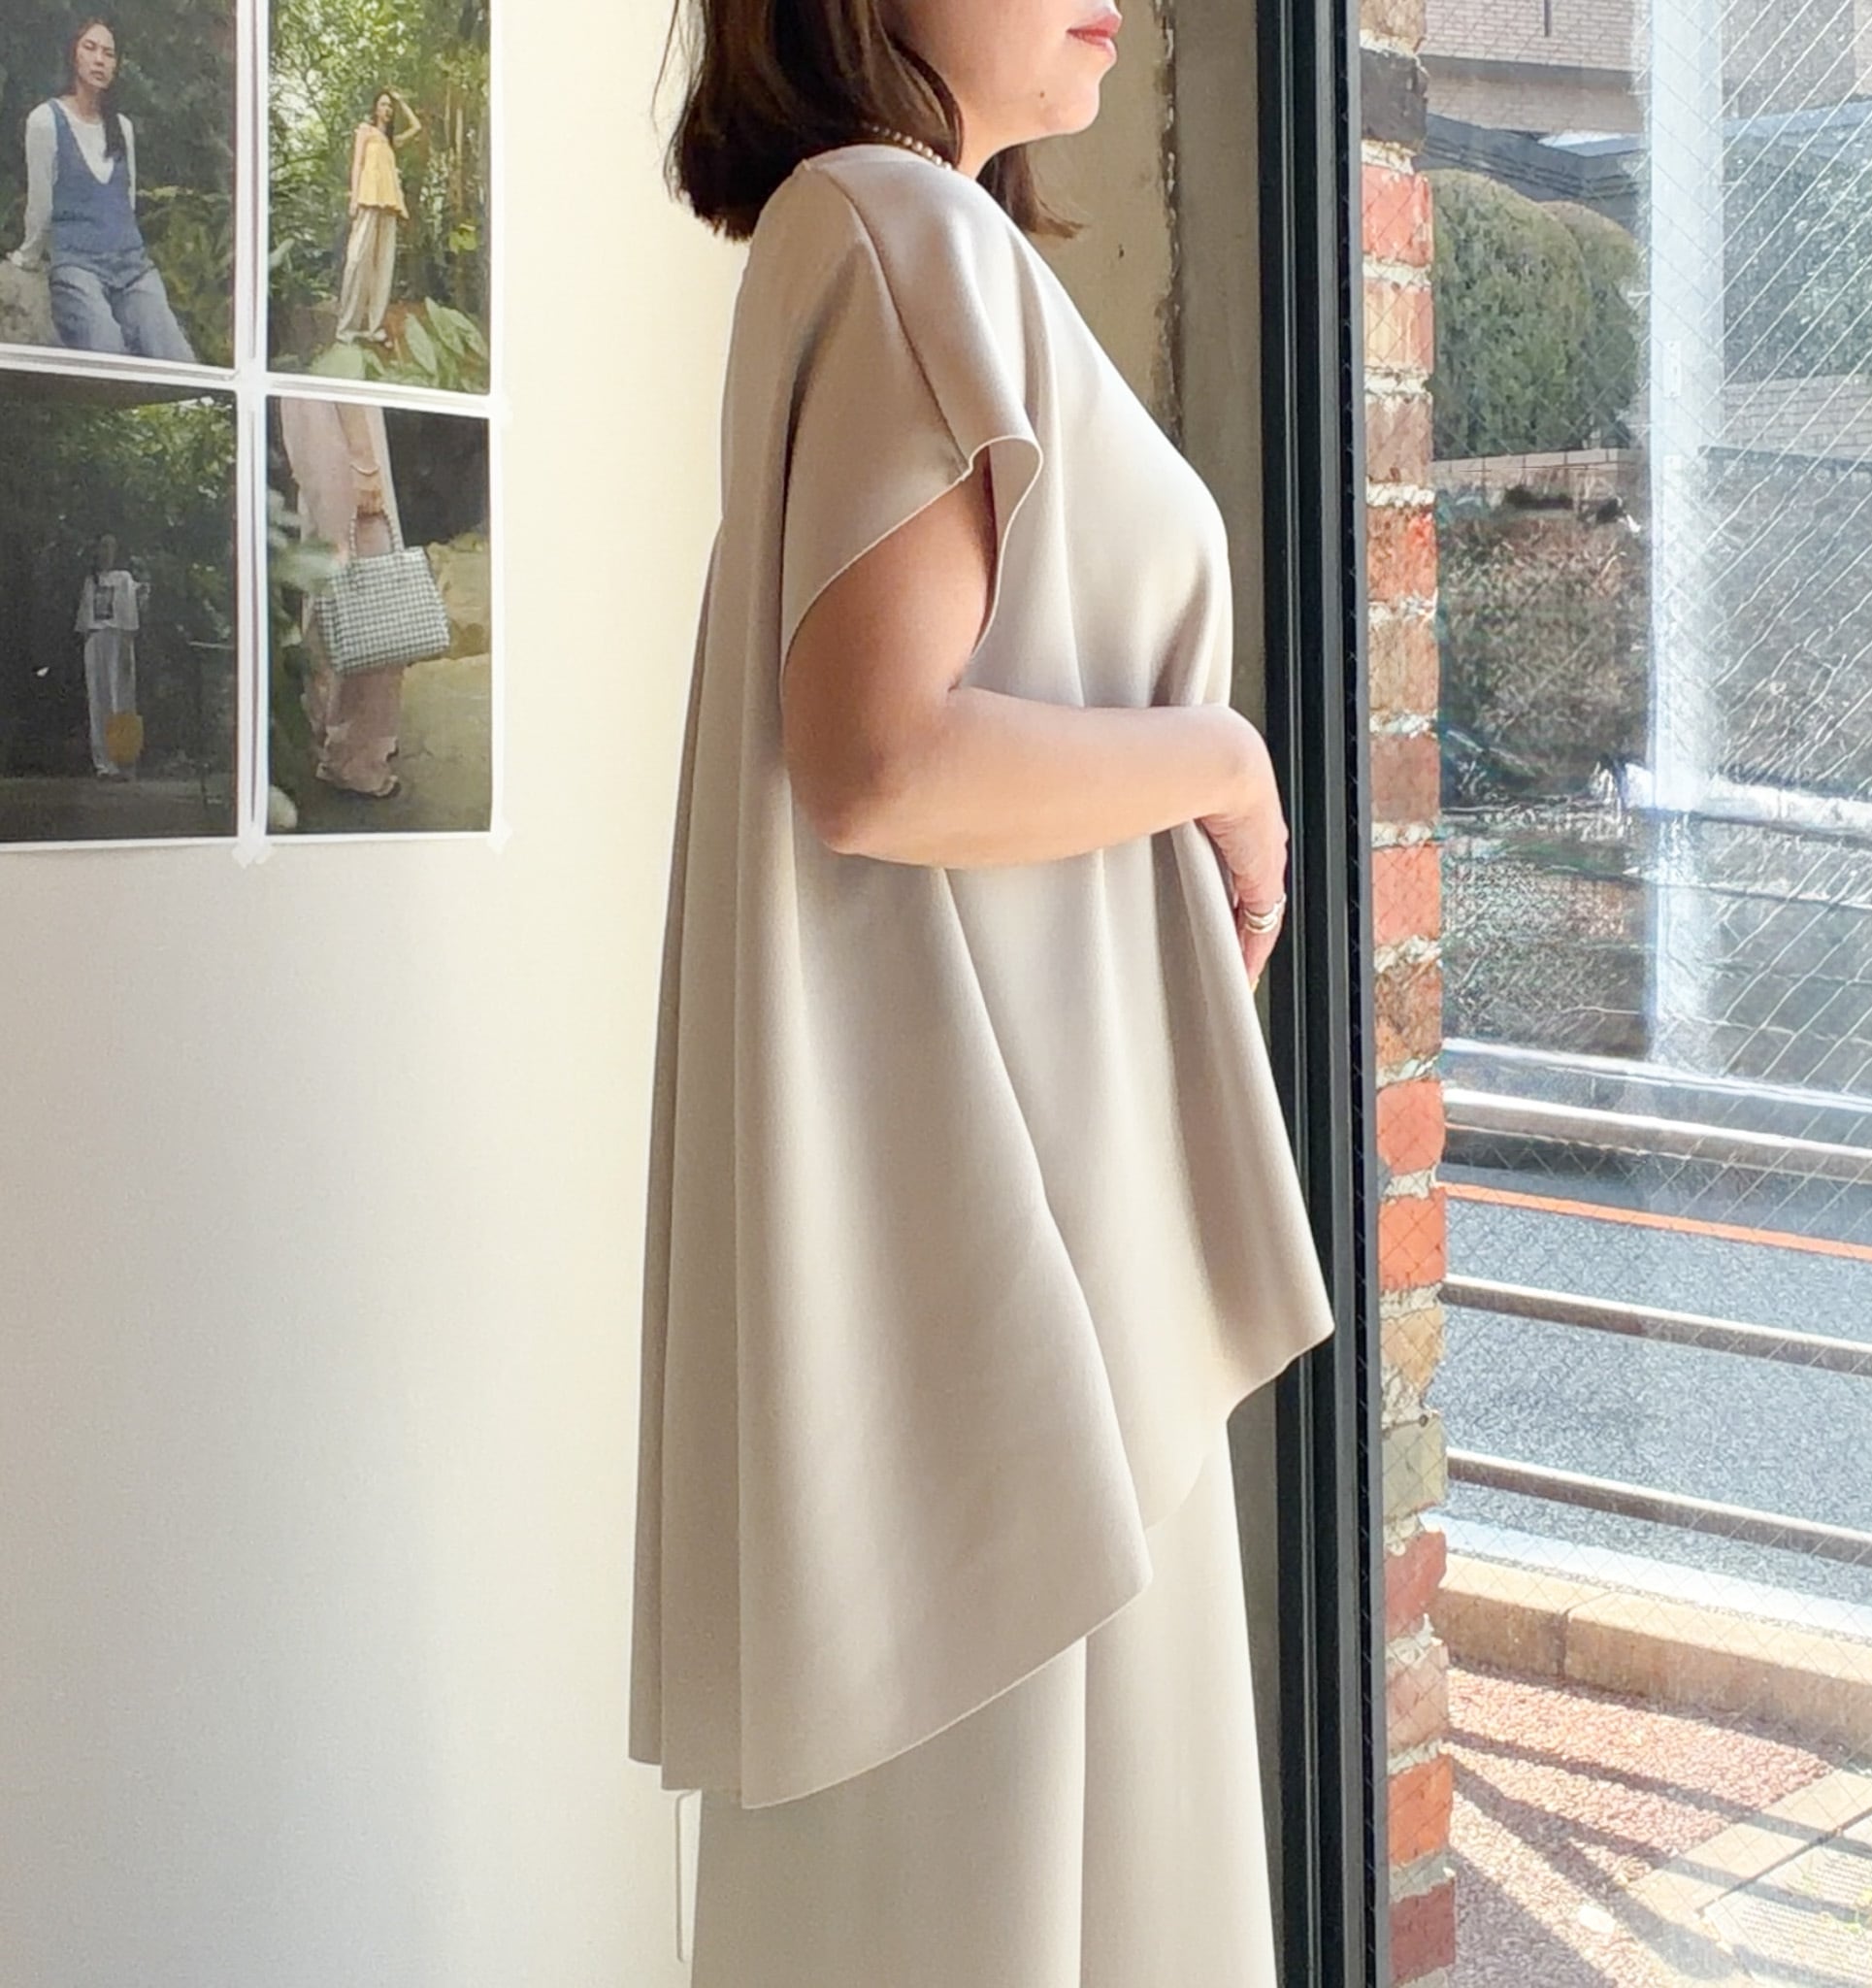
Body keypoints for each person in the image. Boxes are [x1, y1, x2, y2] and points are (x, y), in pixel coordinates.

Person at [628, 3, 1334, 1985]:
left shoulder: (891, 236)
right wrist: (1225, 764)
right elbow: (881, 761)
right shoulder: (896, 227)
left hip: (1007, 1237)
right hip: (1013, 1263)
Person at [8, 18, 198, 363]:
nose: (100, 60)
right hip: (77, 266)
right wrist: (28, 256)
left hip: (132, 267)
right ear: (73, 56)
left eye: (109, 54)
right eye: (90, 48)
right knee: (106, 350)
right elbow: (41, 204)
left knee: (175, 354)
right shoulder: (46, 120)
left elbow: (126, 201)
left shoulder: (121, 127)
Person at [277, 395, 405, 797]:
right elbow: (343, 370)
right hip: (341, 425)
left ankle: (327, 724)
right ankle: (356, 757)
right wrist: (364, 461)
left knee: (330, 578)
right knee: (373, 588)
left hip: (310, 415)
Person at [335, 88, 422, 346]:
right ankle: (346, 327)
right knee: (356, 260)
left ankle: (374, 327)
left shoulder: (390, 141)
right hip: (367, 199)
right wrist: (354, 199)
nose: (387, 109)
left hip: (389, 203)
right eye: (383, 104)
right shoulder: (366, 131)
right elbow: (357, 165)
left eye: (389, 106)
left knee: (383, 265)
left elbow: (416, 127)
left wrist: (402, 101)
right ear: (375, 108)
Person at [74, 533, 144, 778]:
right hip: (96, 641)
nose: (105, 552)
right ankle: (103, 763)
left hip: (117, 639)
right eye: (101, 546)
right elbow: (85, 621)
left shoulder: (123, 578)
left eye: (109, 547)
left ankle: (124, 760)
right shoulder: (90, 581)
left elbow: (128, 617)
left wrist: (125, 648)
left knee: (120, 699)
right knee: (98, 700)